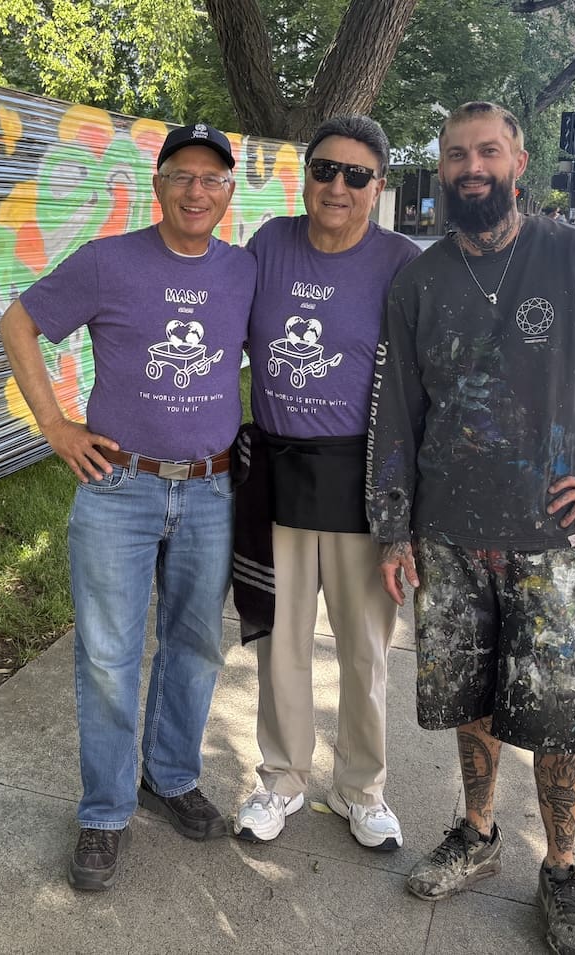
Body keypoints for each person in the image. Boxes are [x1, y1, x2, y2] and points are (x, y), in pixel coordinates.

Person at [366, 101, 575, 955]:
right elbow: (393, 410)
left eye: (488, 151)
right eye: (458, 153)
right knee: (472, 702)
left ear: (518, 159)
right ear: (444, 166)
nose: (472, 166)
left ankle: (564, 869)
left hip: (549, 539)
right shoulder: (420, 281)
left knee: (557, 714)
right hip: (448, 537)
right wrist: (393, 527)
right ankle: (476, 831)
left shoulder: (573, 254)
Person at [0, 122, 255, 892]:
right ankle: (105, 811)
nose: (196, 190)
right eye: (182, 175)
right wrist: (55, 423)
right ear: (159, 184)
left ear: (228, 194)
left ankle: (170, 776)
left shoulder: (244, 270)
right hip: (121, 486)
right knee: (108, 657)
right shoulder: (111, 262)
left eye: (212, 179)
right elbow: (20, 321)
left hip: (211, 488)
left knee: (195, 645)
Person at [230, 115, 420, 849]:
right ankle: (279, 780)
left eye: (356, 175)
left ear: (378, 186)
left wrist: (409, 507)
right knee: (280, 641)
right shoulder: (269, 245)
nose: (337, 186)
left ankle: (361, 789)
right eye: (325, 170)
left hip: (362, 479)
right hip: (277, 472)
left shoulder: (399, 262)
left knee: (364, 647)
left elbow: (420, 384)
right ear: (306, 176)